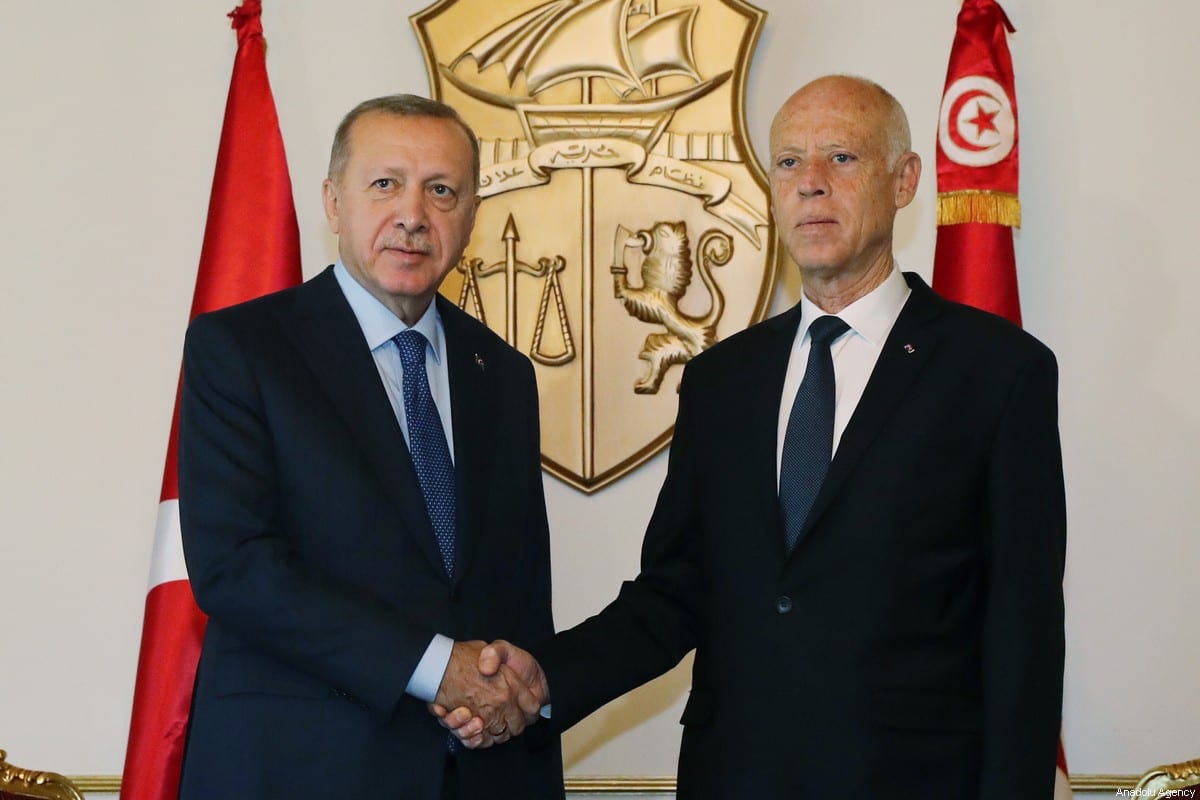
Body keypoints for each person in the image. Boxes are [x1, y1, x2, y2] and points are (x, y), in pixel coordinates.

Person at [442, 74, 1066, 798]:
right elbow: (674, 593)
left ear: (904, 181)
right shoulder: (721, 379)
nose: (811, 185)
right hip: (735, 776)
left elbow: (1022, 627)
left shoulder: (995, 370)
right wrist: (543, 679)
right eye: (790, 163)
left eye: (842, 158)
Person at [177, 94, 563, 800]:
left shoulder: (502, 374)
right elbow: (237, 568)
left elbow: (517, 590)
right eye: (385, 184)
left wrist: (516, 698)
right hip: (298, 773)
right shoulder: (240, 350)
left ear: (472, 215)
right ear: (332, 201)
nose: (413, 214)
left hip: (479, 775)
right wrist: (434, 664)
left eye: (441, 190)